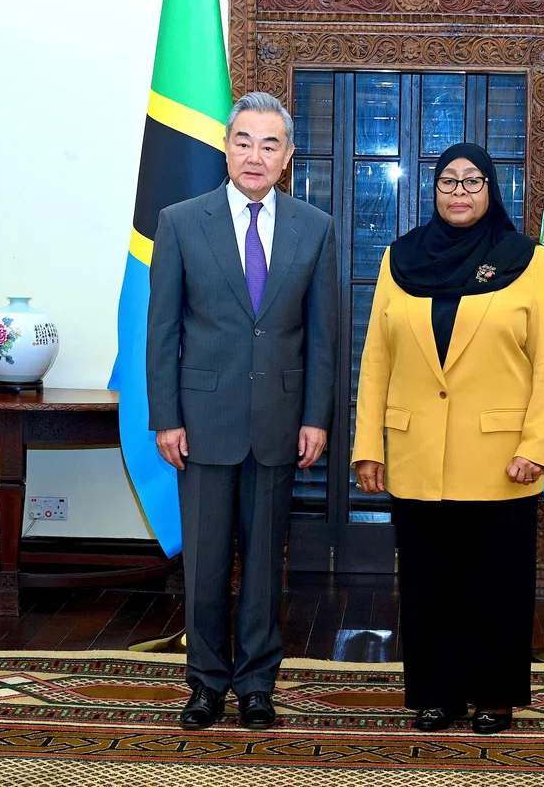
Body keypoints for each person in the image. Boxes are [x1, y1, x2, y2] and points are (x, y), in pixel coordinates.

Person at [352, 143, 544, 734]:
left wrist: (535, 445)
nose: (460, 192)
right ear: (433, 190)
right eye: (449, 181)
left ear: (492, 188)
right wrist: (368, 444)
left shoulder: (528, 261)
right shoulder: (400, 260)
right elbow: (376, 361)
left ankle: (494, 695)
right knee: (428, 583)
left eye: (473, 181)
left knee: (495, 582)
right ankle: (437, 694)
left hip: (502, 459)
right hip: (418, 454)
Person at [146, 91, 338, 731]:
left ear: (288, 156)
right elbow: (163, 330)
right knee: (203, 564)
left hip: (280, 421)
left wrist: (317, 417)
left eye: (270, 144)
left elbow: (324, 336)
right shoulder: (178, 222)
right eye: (243, 141)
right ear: (226, 148)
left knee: (263, 561)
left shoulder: (316, 227)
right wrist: (165, 417)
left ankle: (257, 683)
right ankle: (205, 684)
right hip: (199, 422)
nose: (255, 155)